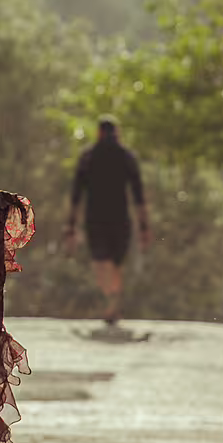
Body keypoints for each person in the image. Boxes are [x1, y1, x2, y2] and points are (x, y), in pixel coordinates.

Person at [63, 116, 152, 326]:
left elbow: (76, 196)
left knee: (102, 263)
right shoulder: (126, 156)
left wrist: (71, 225)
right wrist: (144, 226)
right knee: (114, 264)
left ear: (99, 133)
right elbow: (139, 196)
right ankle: (113, 303)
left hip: (96, 219)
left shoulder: (89, 157)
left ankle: (111, 302)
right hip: (120, 220)